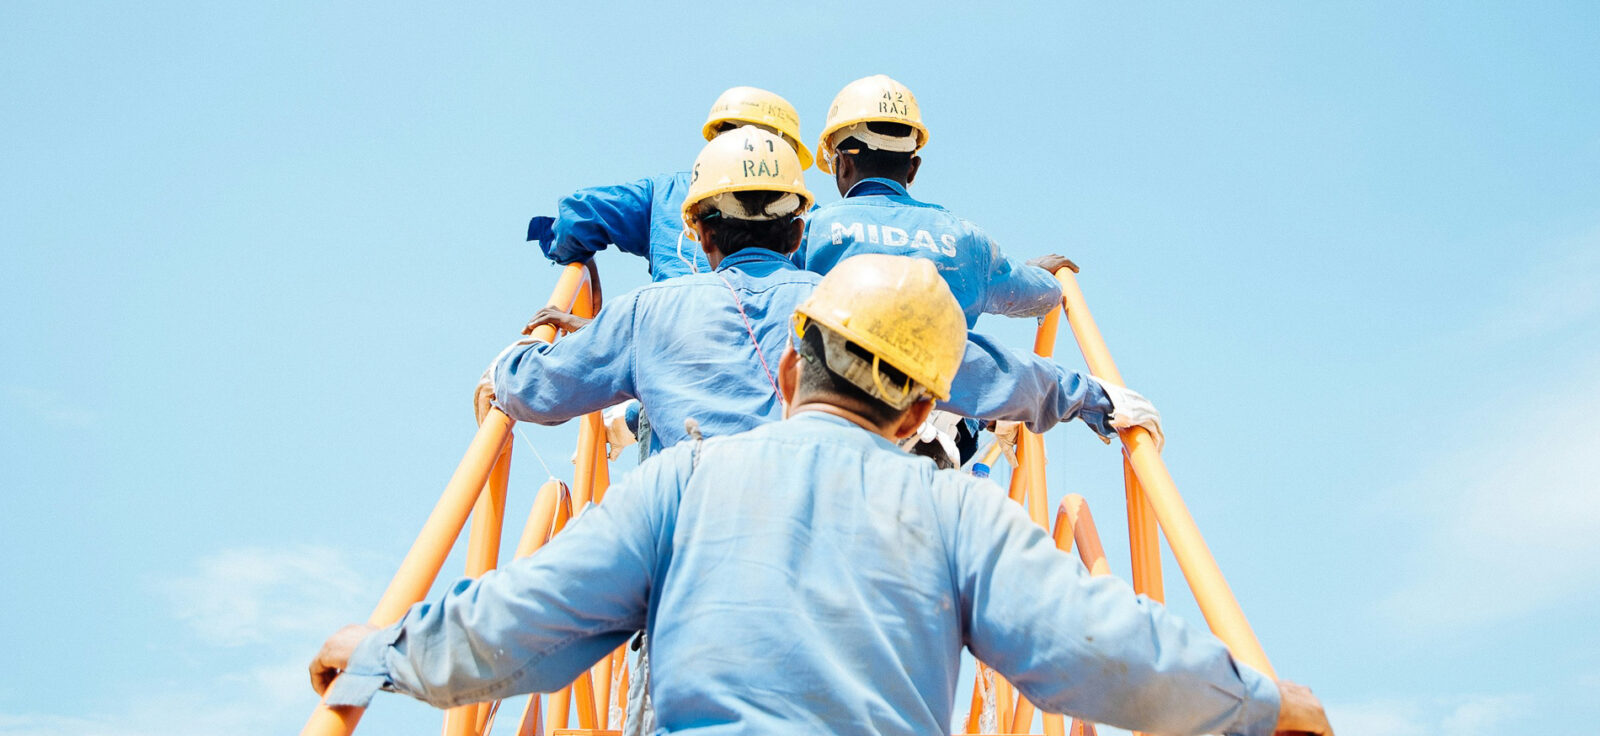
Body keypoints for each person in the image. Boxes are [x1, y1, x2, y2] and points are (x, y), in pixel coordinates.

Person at [311, 254, 1333, 736]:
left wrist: (375, 660)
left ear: (792, 367)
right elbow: (1094, 643)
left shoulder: (677, 484)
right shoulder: (960, 510)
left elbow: (522, 622)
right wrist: (1256, 702)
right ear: (918, 411)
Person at [475, 127, 1162, 457]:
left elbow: (536, 390)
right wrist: (1090, 396)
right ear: (798, 220)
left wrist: (518, 357)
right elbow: (980, 366)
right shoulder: (853, 307)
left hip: (687, 577)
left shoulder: (645, 314)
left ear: (699, 230)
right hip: (831, 566)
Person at [527, 86, 814, 282]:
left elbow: (577, 217)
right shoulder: (805, 216)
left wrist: (577, 257)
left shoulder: (662, 195)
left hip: (667, 347)